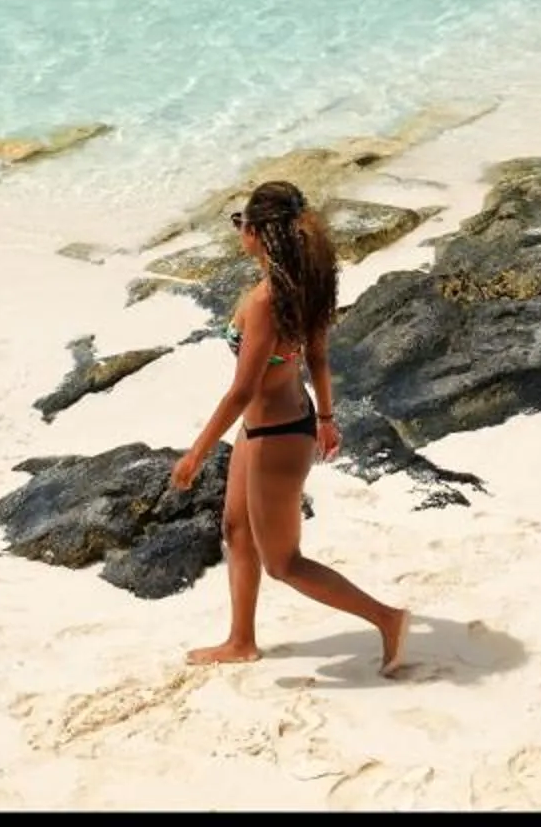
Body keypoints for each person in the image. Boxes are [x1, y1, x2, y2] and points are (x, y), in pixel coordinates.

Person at [169, 180, 408, 675]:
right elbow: (317, 356)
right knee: (237, 531)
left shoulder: (265, 300)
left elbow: (241, 389)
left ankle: (386, 619)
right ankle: (241, 640)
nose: (240, 233)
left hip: (275, 437)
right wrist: (325, 418)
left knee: (283, 563)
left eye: (241, 224)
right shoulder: (307, 281)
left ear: (257, 232)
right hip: (275, 427)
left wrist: (195, 454)